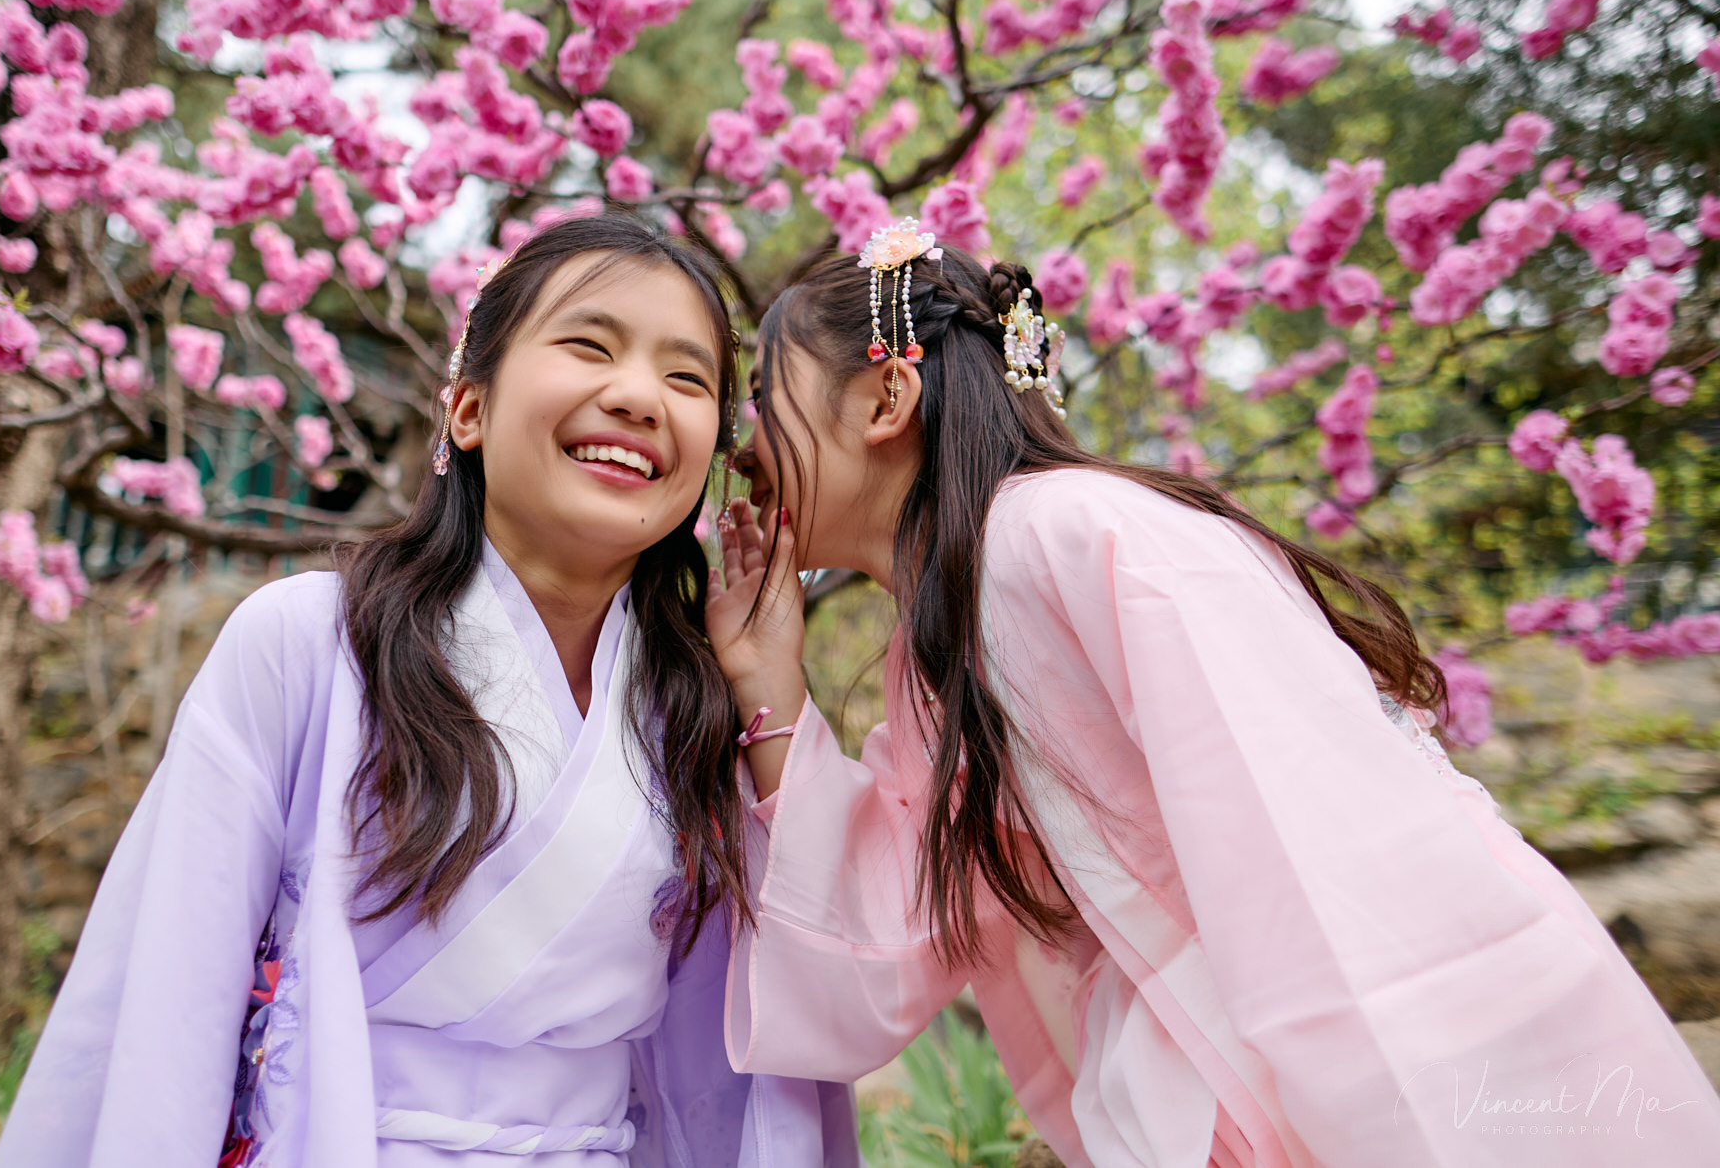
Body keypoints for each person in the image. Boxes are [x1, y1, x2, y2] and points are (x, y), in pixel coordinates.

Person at [704, 219, 1720, 1166]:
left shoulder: (1068, 535)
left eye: (761, 399)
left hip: (1372, 1064)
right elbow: (885, 933)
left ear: (884, 401)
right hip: (1210, 1090)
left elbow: (1313, 851)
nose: (741, 446)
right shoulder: (939, 646)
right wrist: (767, 682)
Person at [0, 215, 854, 1168]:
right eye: (588, 345)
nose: (639, 397)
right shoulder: (306, 645)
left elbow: (788, 1008)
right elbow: (168, 995)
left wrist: (769, 688)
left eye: (687, 379)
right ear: (468, 409)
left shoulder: (692, 705)